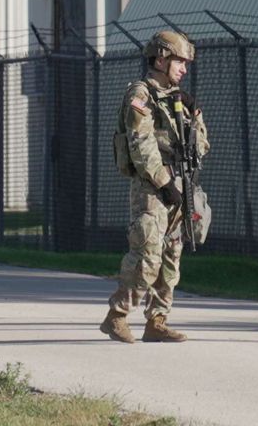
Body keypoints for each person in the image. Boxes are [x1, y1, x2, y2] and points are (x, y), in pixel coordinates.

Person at [100, 30, 208, 344]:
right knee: (147, 253)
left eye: (187, 63)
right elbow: (141, 145)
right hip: (152, 186)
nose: (184, 69)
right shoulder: (141, 94)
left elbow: (201, 143)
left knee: (172, 254)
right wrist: (163, 183)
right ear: (160, 58)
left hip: (181, 183)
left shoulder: (178, 100)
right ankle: (117, 316)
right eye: (180, 61)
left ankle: (157, 320)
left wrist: (194, 116)